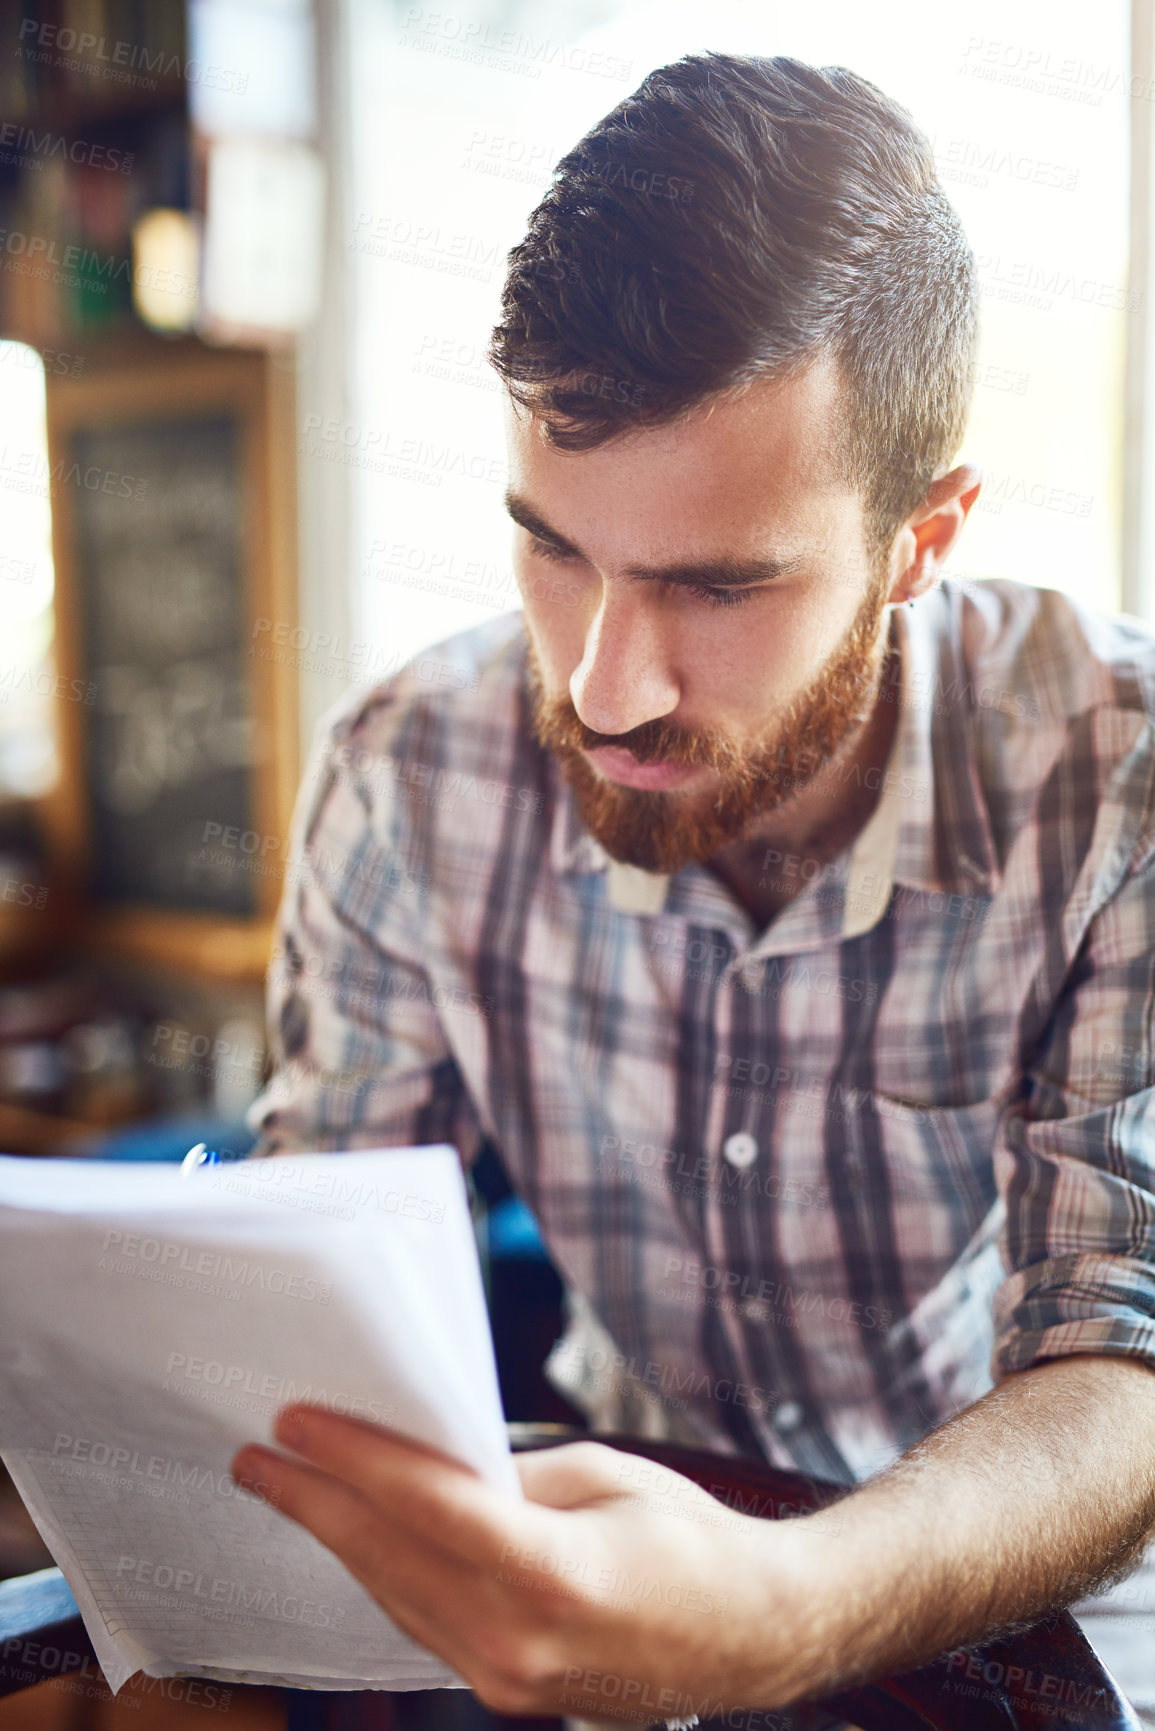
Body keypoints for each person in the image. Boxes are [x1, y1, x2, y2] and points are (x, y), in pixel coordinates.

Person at [233, 52, 1155, 1727]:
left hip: (1038, 1588)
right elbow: (310, 1286)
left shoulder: (1120, 775)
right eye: (552, 546)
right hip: (604, 1528)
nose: (599, 686)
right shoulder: (406, 768)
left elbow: (1130, 1352)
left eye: (716, 584)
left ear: (918, 539)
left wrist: (790, 1604)